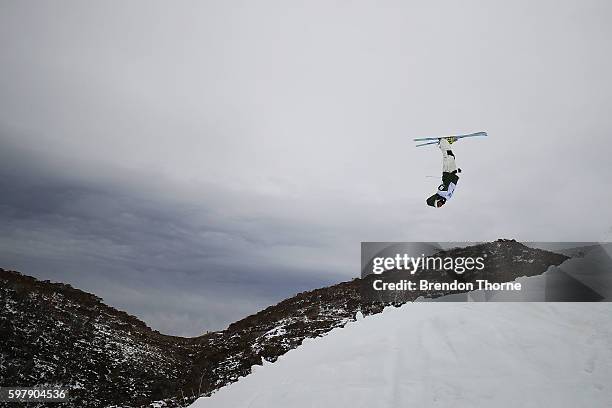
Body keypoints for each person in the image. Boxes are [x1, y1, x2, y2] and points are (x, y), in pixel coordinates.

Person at [426, 137, 461, 208]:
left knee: (448, 156)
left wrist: (455, 172)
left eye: (438, 204)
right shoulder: (447, 198)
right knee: (451, 156)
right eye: (440, 206)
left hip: (448, 171)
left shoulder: (441, 191)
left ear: (436, 200)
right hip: (452, 173)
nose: (441, 204)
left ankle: (443, 141)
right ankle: (446, 144)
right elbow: (452, 186)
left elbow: (447, 180)